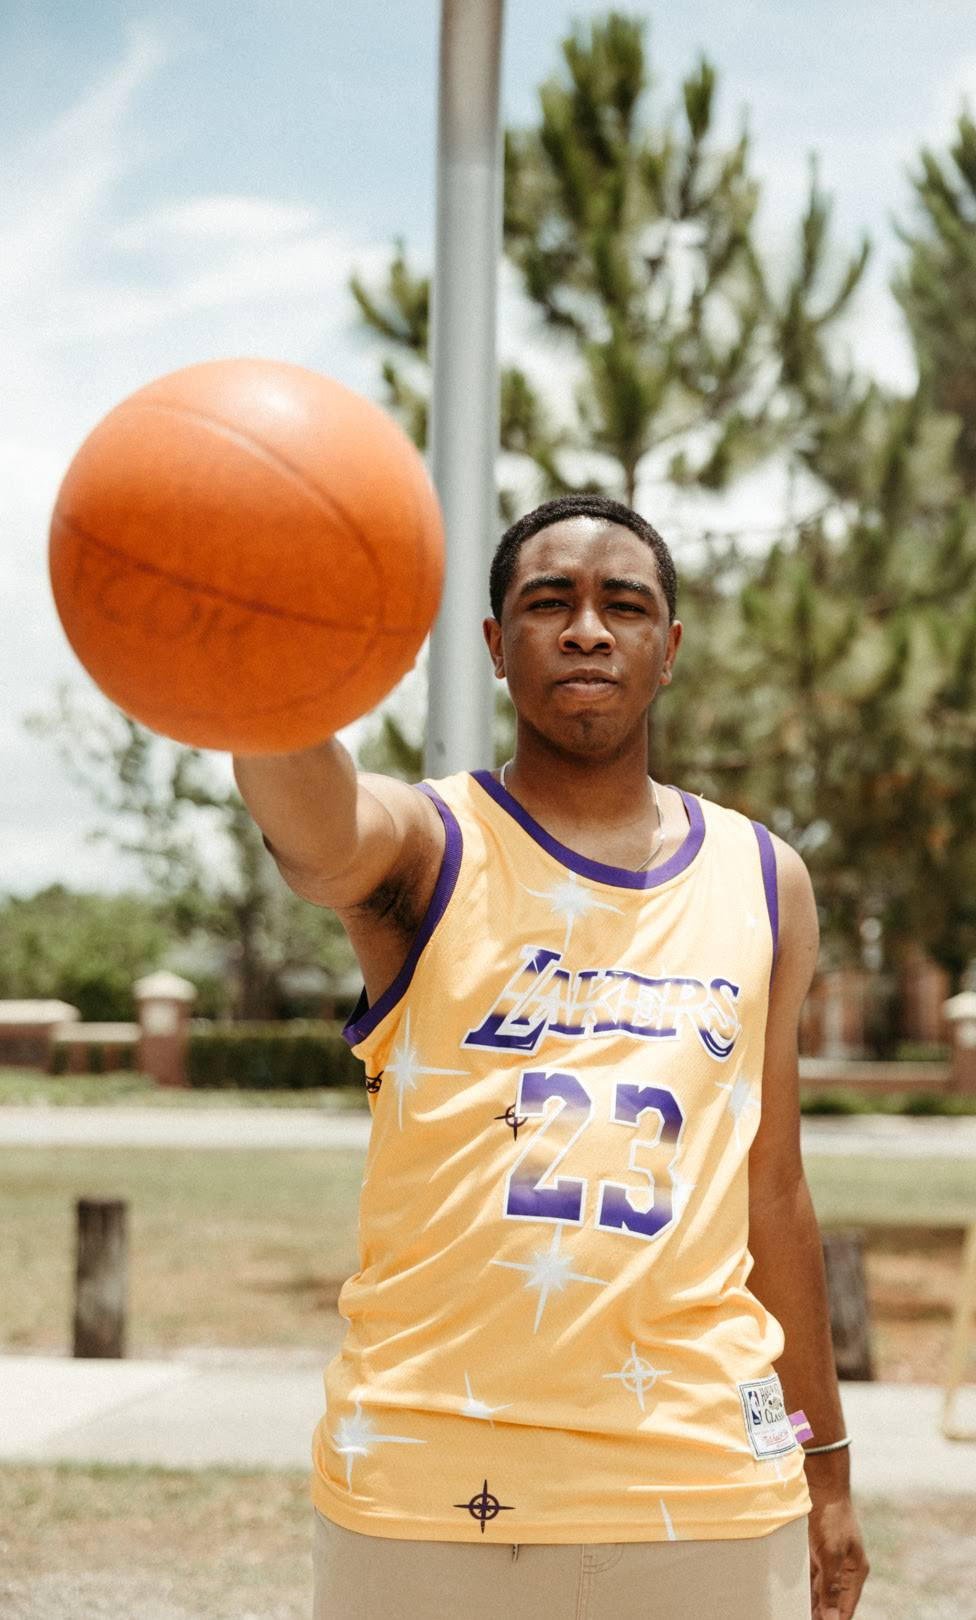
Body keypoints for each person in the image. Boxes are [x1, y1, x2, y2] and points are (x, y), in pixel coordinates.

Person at [233, 492, 869, 1620]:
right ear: (494, 646)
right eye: (548, 603)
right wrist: (253, 667)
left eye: (624, 605)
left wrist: (824, 1462)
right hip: (428, 1492)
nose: (587, 629)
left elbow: (773, 1189)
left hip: (708, 1486)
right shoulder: (432, 846)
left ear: (667, 651)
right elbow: (318, 829)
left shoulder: (766, 880)